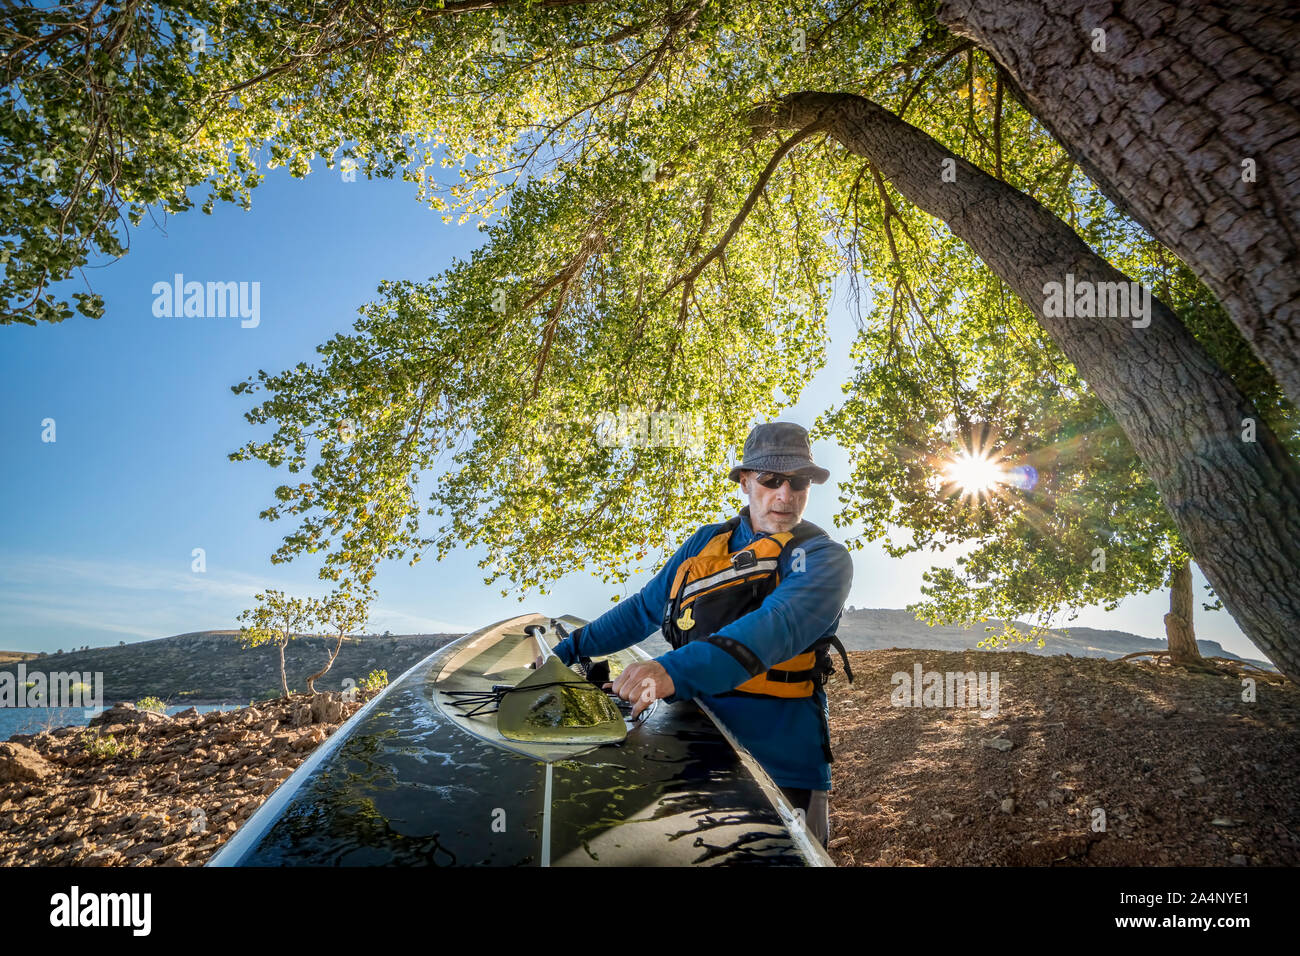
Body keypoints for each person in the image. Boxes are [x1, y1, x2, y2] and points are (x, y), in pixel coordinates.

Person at [538, 421, 853, 849]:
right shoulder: (705, 542)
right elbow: (644, 608)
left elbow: (777, 626)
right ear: (745, 480)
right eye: (771, 479)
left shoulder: (824, 558)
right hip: (687, 744)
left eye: (798, 482)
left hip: (782, 762)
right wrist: (564, 652)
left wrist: (669, 671)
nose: (786, 495)